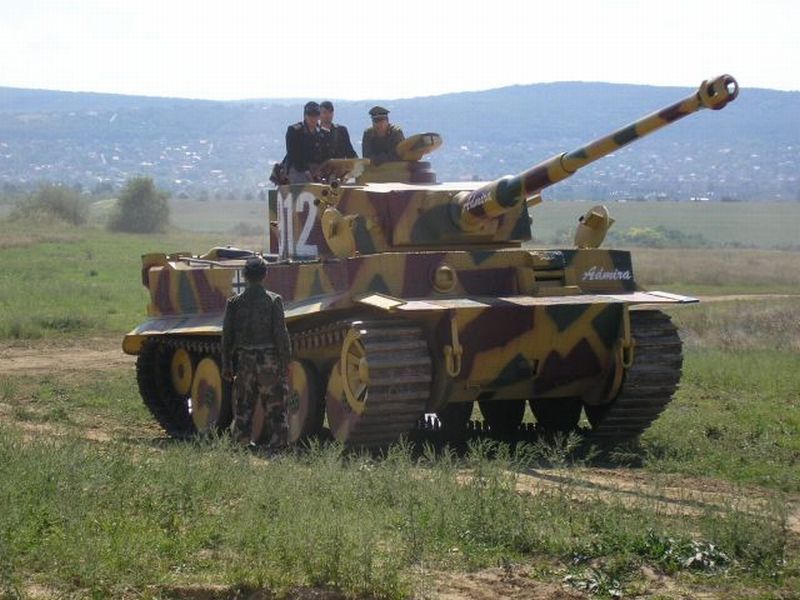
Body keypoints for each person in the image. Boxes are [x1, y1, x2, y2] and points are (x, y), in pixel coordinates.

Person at [221, 256, 291, 449]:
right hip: (269, 361)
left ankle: (241, 443)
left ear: (245, 276)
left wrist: (227, 365)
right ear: (265, 274)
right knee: (275, 406)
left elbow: (226, 337)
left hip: (245, 362)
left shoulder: (234, 303)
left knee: (243, 406)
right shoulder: (273, 300)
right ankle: (278, 445)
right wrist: (286, 362)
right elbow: (281, 334)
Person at [284, 101, 324, 183]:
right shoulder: (295, 131)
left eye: (316, 115)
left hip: (316, 168)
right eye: (310, 115)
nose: (313, 119)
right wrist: (306, 171)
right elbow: (293, 155)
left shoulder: (321, 133)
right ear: (305, 116)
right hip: (298, 168)